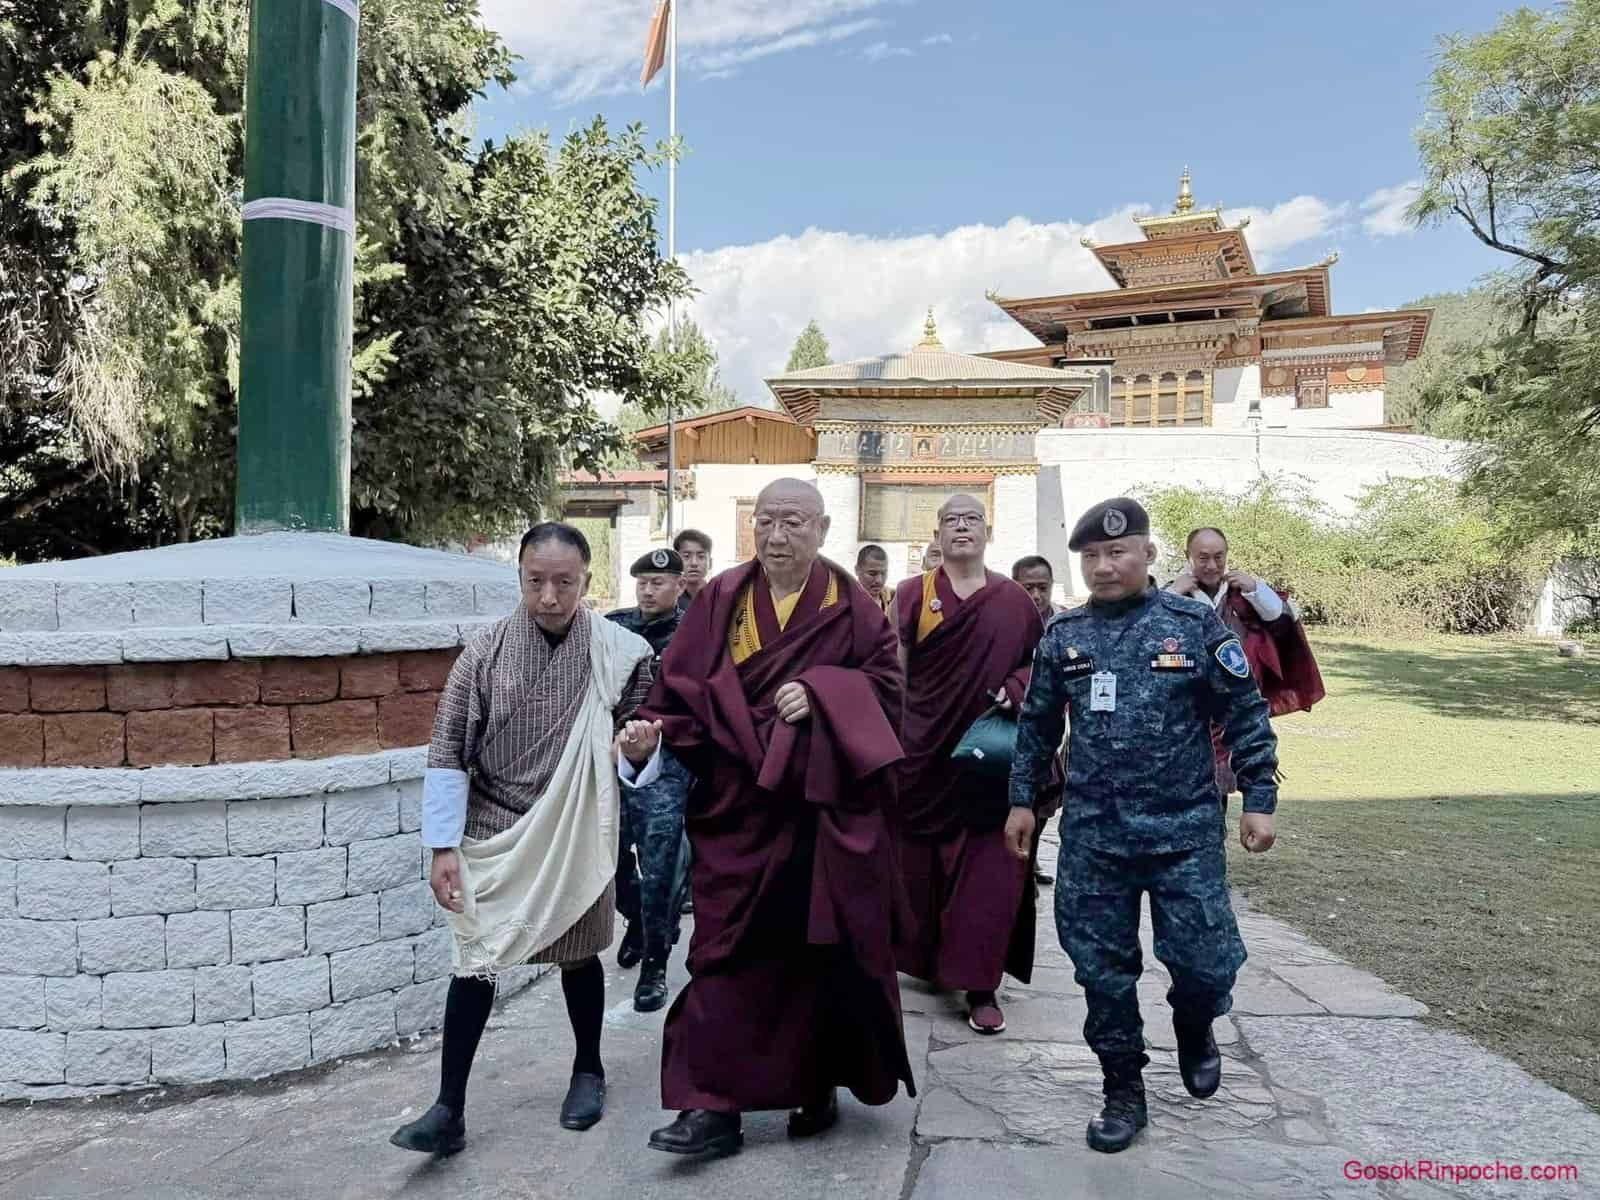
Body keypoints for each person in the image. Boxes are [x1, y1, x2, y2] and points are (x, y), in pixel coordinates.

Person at [637, 478, 915, 1158]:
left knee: (816, 955)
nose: (777, 536)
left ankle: (815, 1083)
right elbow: (676, 687)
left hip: (820, 812)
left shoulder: (852, 607)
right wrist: (650, 732)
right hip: (738, 810)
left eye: (793, 523)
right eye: (766, 521)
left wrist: (822, 692)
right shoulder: (723, 598)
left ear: (821, 530)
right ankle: (711, 1108)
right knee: (722, 955)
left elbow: (887, 692)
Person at [1007, 497, 1279, 1155]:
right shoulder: (1065, 636)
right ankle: (1122, 1089)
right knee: (1101, 972)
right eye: (1092, 556)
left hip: (1183, 831)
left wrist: (1260, 796)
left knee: (1206, 964)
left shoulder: (1192, 627)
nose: (1103, 566)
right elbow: (1039, 725)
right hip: (1095, 836)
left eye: (1117, 552)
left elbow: (1244, 712)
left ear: (1148, 555)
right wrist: (1022, 800)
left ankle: (1194, 1022)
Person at [391, 523, 661, 1156]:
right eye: (536, 581)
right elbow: (447, 750)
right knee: (475, 958)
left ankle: (588, 1069)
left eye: (564, 583)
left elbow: (634, 732)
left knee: (578, 950)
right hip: (493, 823)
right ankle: (448, 1108)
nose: (549, 596)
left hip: (575, 821)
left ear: (587, 583)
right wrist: (441, 848)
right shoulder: (483, 652)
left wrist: (638, 749)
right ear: (519, 578)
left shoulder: (619, 652)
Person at [893, 495, 1043, 1035]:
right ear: (937, 534)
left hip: (990, 755)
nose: (962, 528)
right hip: (923, 753)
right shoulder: (912, 594)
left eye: (972, 519)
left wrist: (1017, 686)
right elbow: (895, 671)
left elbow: (1038, 667)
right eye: (952, 521)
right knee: (918, 869)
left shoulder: (1014, 601)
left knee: (990, 871)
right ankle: (930, 963)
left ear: (988, 531)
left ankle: (981, 984)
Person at [1167, 526, 1324, 793]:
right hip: (1185, 719)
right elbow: (1142, 629)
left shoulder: (1243, 595)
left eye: (1219, 557)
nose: (1212, 565)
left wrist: (1255, 589)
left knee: (1232, 796)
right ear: (1188, 556)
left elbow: (1283, 623)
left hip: (1236, 712)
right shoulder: (1170, 596)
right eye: (1203, 557)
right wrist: (1172, 593)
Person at [606, 548, 694, 1012]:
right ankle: (635, 921)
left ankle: (654, 967)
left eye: (659, 582)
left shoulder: (695, 633)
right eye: (642, 580)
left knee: (660, 869)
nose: (648, 588)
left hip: (667, 765)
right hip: (612, 760)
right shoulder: (613, 625)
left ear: (679, 586)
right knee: (612, 861)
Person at [1010, 555, 1066, 886]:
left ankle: (1028, 865)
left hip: (1051, 735)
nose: (1035, 596)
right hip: (1008, 730)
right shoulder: (1001, 622)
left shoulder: (1061, 625)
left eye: (1041, 588)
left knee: (1045, 802)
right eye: (1026, 587)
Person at [1011, 555, 1061, 621]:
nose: (1036, 596)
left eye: (1043, 588)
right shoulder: (1002, 620)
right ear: (1014, 587)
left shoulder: (1066, 620)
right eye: (1028, 588)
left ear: (1051, 584)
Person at [674, 529, 713, 611]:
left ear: (710, 562)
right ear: (676, 561)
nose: (694, 563)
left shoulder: (718, 597)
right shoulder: (669, 599)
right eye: (687, 556)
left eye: (701, 557)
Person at [855, 543, 895, 618]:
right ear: (857, 570)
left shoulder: (894, 598)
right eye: (872, 574)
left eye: (883, 573)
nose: (879, 580)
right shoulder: (846, 601)